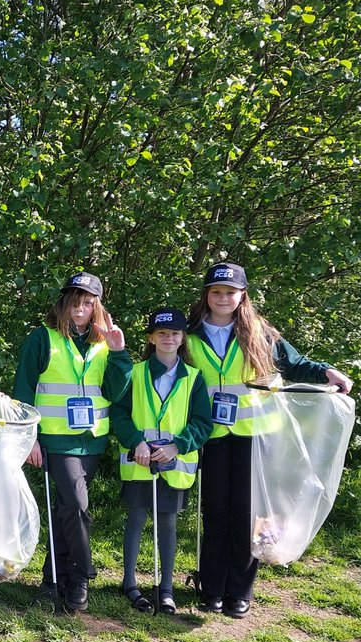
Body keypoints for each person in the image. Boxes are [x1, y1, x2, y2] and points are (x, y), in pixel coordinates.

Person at [186, 262, 353, 618]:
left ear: (242, 296)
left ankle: (240, 591)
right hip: (212, 436)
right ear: (207, 295)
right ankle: (211, 587)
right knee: (215, 514)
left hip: (255, 438)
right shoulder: (189, 334)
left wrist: (327, 371)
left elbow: (296, 363)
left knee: (251, 516)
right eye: (216, 292)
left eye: (230, 292)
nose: (223, 298)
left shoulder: (258, 333)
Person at [13, 272, 130, 613]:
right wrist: (28, 437)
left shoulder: (103, 342)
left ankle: (52, 580)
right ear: (63, 302)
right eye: (74, 300)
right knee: (77, 506)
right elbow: (24, 390)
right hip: (54, 439)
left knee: (67, 508)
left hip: (91, 440)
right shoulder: (42, 338)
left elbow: (114, 391)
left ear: (97, 306)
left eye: (88, 302)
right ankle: (80, 575)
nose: (80, 307)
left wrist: (119, 351)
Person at [110, 308, 213, 614]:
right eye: (162, 333)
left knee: (168, 522)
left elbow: (202, 422)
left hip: (173, 464)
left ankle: (166, 588)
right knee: (137, 519)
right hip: (139, 460)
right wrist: (135, 442)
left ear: (183, 339)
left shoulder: (194, 377)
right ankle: (129, 583)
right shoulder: (136, 372)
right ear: (151, 337)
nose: (169, 338)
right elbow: (119, 412)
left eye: (175, 334)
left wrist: (178, 446)